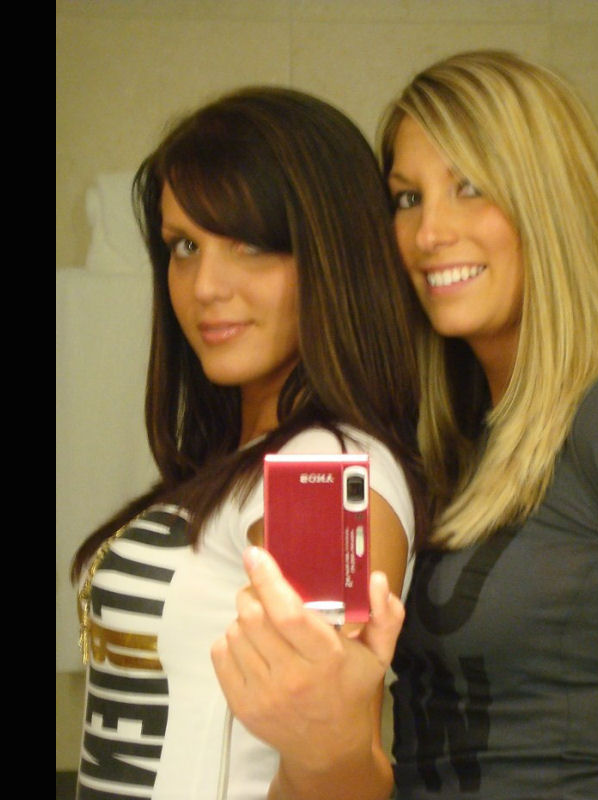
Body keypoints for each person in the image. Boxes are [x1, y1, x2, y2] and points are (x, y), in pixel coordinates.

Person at [374, 50, 598, 799]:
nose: (428, 232)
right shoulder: (457, 427)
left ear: (550, 203)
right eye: (407, 198)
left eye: (470, 187)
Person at [71, 86, 429, 800]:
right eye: (184, 246)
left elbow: (339, 759)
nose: (204, 286)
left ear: (333, 258)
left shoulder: (320, 473)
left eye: (252, 245)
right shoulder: (248, 460)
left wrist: (329, 753)